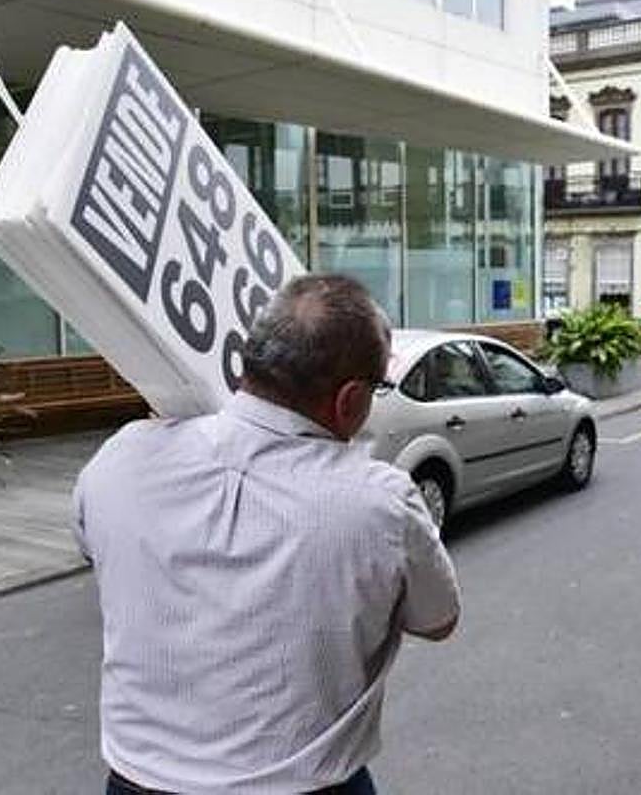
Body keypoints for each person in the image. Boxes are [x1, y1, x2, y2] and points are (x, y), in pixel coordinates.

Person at [73, 275, 461, 795]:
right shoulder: (380, 502)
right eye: (377, 387)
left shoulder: (122, 457)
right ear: (349, 400)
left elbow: (92, 546)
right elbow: (439, 620)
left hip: (136, 783)